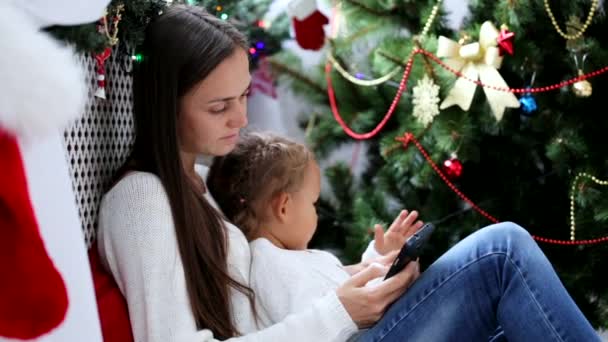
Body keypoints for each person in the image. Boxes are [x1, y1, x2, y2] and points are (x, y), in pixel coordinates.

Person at [96, 4, 602, 342]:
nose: (241, 119)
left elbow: (271, 295)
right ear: (166, 104)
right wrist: (340, 312)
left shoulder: (198, 186)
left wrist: (361, 278)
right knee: (501, 251)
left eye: (244, 96)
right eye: (218, 107)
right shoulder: (142, 200)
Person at [206, 132, 424, 333]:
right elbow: (343, 325)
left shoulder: (287, 258)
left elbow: (340, 289)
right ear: (284, 207)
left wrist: (378, 258)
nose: (317, 214)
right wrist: (387, 282)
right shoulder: (272, 264)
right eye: (314, 203)